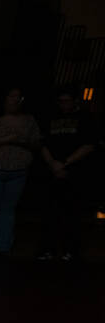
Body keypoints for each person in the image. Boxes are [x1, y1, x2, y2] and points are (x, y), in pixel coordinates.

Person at [0, 86, 41, 256]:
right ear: (4, 98)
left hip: (18, 171)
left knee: (8, 209)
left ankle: (3, 246)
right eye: (12, 96)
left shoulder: (29, 119)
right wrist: (8, 138)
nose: (15, 99)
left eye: (19, 96)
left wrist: (21, 141)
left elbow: (36, 142)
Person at [37, 87, 97, 261]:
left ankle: (70, 249)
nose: (64, 104)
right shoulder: (50, 118)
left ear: (75, 101)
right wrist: (52, 164)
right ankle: (47, 249)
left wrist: (65, 163)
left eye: (67, 100)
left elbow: (89, 145)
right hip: (52, 172)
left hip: (75, 173)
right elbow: (42, 144)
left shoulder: (85, 118)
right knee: (50, 213)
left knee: (72, 214)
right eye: (61, 101)